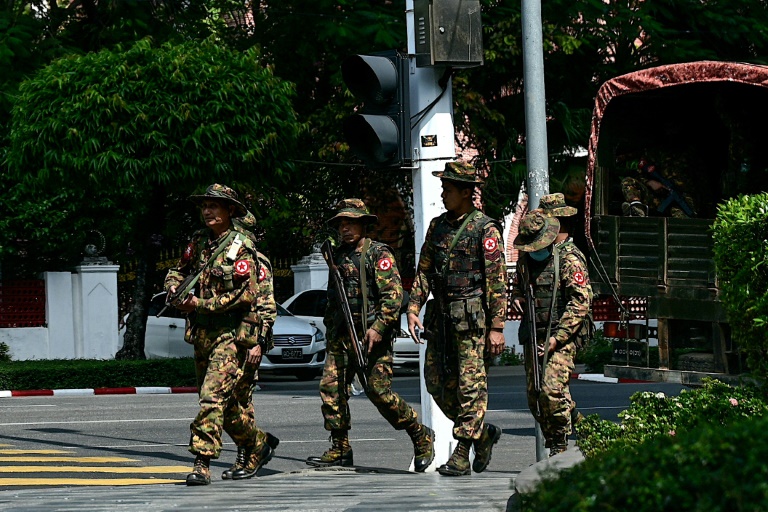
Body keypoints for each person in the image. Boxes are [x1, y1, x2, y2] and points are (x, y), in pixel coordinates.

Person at [305, 199, 434, 472]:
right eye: (341, 224)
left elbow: (394, 296)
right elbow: (333, 300)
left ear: (363, 225)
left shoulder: (378, 254)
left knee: (379, 393)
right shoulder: (337, 256)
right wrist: (331, 329)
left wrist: (379, 327)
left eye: (350, 223)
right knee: (331, 389)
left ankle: (419, 434)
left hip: (371, 337)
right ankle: (340, 447)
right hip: (342, 336)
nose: (345, 228)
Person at [164, 183, 278, 485]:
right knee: (222, 405)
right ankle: (257, 444)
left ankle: (202, 463)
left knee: (212, 398)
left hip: (231, 334)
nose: (207, 210)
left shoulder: (242, 248)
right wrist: (173, 287)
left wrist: (200, 304)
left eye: (213, 205)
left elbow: (246, 295)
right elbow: (179, 270)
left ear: (230, 211)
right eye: (204, 205)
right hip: (203, 332)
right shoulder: (199, 241)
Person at [406, 161, 508, 476]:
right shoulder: (437, 226)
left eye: (448, 190)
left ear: (466, 193)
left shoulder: (485, 229)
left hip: (472, 321)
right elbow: (424, 271)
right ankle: (482, 433)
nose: (443, 195)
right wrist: (413, 308)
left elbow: (497, 280)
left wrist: (497, 327)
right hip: (440, 319)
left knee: (470, 386)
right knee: (435, 382)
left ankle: (462, 452)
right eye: (443, 188)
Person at [510, 209, 593, 457]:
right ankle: (585, 427)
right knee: (536, 396)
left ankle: (559, 445)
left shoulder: (569, 259)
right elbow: (519, 286)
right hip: (534, 333)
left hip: (561, 335)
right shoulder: (525, 261)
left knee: (552, 391)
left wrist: (558, 338)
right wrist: (517, 297)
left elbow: (580, 301)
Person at [621, 156, 697, 218]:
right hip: (651, 195)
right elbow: (636, 173)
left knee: (681, 215)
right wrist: (649, 182)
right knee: (628, 181)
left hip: (673, 203)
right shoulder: (655, 157)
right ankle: (636, 207)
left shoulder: (686, 167)